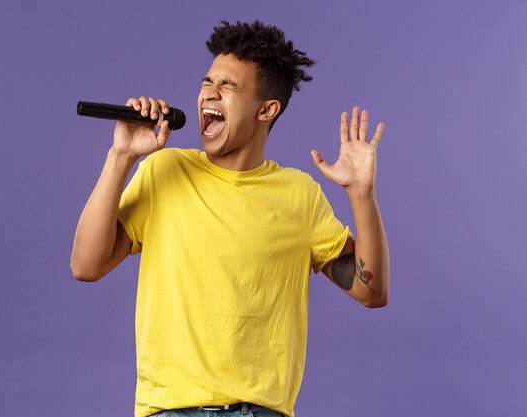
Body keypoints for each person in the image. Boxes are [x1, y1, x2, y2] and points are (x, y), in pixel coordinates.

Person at [70, 20, 389, 417]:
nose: (209, 93)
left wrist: (360, 193)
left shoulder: (299, 194)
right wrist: (121, 156)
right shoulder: (164, 170)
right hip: (170, 410)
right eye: (208, 81)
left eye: (228, 86)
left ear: (266, 109)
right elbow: (85, 265)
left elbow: (371, 292)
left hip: (260, 411)